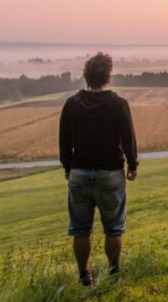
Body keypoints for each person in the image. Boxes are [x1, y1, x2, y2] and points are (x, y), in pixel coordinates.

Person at [59, 52, 138, 286]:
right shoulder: (119, 104)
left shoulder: (72, 104)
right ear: (109, 76)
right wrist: (132, 166)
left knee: (80, 229)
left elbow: (64, 140)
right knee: (113, 228)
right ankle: (113, 273)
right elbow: (129, 139)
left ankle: (85, 276)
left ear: (86, 76)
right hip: (111, 174)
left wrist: (67, 168)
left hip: (79, 174)